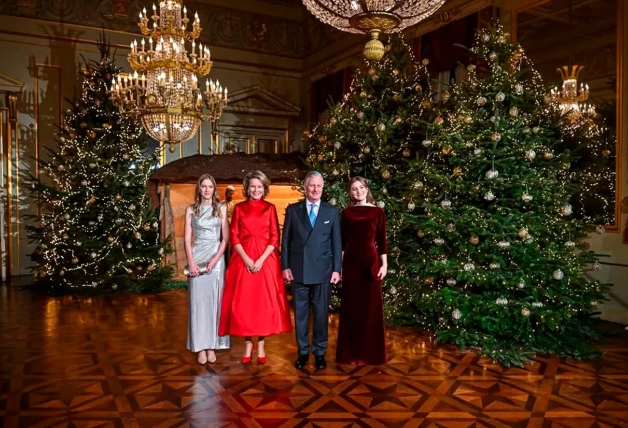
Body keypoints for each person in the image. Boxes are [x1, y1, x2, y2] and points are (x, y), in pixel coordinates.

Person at [218, 171, 292, 364]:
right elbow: (234, 235)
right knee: (245, 304)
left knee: (262, 305)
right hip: (243, 259)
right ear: (247, 188)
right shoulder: (240, 208)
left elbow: (275, 236)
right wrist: (247, 259)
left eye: (259, 186)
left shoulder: (270, 208)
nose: (256, 189)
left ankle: (260, 345)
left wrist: (259, 260)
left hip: (265, 260)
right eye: (252, 186)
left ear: (264, 188)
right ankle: (248, 343)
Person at [281, 171, 342, 370]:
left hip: (323, 271)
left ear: (323, 188)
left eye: (319, 186)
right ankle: (303, 352)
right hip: (299, 271)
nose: (315, 189)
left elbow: (336, 243)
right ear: (305, 187)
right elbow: (286, 241)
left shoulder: (331, 211)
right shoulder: (293, 210)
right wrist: (286, 266)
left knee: (321, 315)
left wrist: (336, 269)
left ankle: (319, 352)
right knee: (300, 315)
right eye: (312, 185)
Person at [336, 176, 388, 366]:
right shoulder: (347, 213)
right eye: (354, 189)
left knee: (371, 309)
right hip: (351, 264)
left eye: (361, 188)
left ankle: (370, 354)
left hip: (370, 264)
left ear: (367, 189)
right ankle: (350, 353)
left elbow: (382, 241)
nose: (358, 191)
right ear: (350, 192)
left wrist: (385, 265)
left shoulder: (378, 212)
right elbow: (341, 242)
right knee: (352, 309)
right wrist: (339, 266)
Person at [184, 174, 230, 365]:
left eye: (210, 186)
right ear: (199, 189)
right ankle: (200, 347)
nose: (207, 190)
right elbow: (187, 239)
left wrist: (215, 260)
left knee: (214, 304)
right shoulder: (190, 210)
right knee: (198, 304)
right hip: (197, 256)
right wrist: (191, 262)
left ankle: (212, 346)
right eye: (203, 186)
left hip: (216, 260)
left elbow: (225, 239)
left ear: (214, 189)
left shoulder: (221, 208)